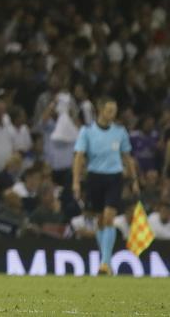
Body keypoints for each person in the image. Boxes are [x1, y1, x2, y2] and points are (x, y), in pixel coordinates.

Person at [72, 97, 138, 275]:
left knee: (109, 217)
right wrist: (76, 182)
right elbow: (79, 157)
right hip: (95, 177)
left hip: (114, 178)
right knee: (100, 221)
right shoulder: (87, 131)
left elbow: (127, 157)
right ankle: (106, 261)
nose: (112, 114)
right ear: (100, 110)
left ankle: (105, 263)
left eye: (114, 110)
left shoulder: (120, 131)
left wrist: (134, 180)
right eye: (109, 110)